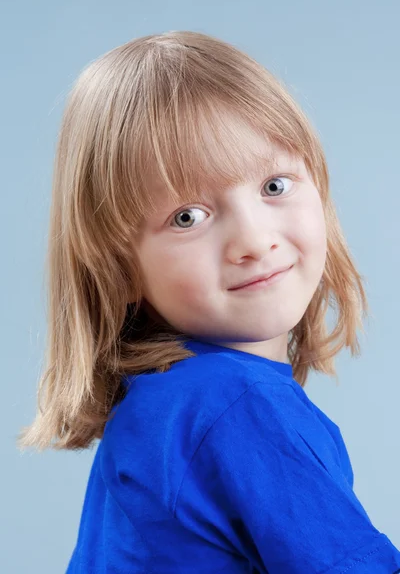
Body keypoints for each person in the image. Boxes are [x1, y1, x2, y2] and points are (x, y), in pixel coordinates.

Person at [18, 30, 400, 573]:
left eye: (273, 186)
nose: (253, 240)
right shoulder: (232, 405)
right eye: (187, 217)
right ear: (118, 268)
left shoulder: (162, 401)